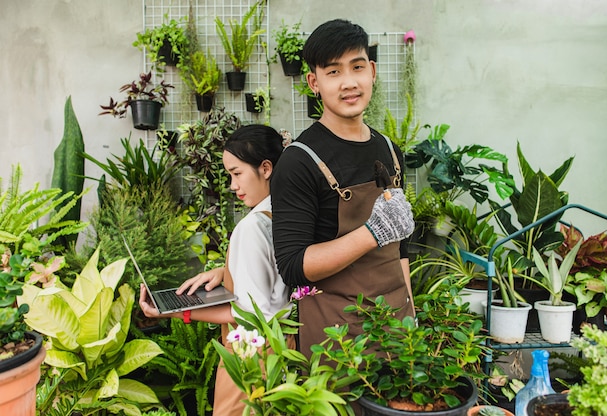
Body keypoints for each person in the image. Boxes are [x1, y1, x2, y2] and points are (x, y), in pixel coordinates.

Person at [271, 19, 416, 358]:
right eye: (333, 72)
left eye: (357, 67)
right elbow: (293, 265)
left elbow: (401, 249)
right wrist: (372, 232)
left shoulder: (390, 151)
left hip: (397, 329)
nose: (349, 82)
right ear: (314, 82)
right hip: (338, 343)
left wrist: (412, 317)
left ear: (373, 72)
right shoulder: (298, 162)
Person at [139, 124, 291, 416]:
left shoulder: (252, 227)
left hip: (248, 358)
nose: (232, 185)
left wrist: (171, 311)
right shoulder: (285, 215)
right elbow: (275, 277)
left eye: (237, 173)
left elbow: (246, 314)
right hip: (280, 349)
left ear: (266, 168)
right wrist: (226, 271)